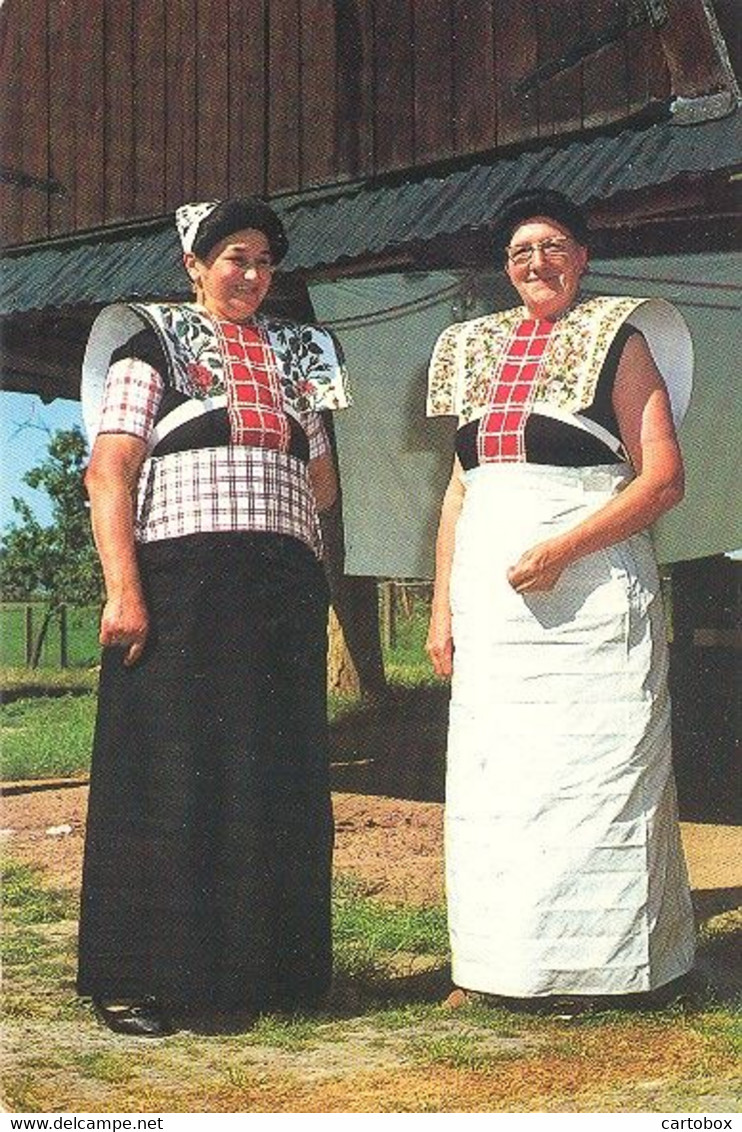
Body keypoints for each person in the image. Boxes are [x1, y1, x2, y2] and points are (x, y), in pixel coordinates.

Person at [77, 197, 349, 1036]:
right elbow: (109, 475)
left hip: (277, 588)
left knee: (273, 769)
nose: (251, 274)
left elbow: (324, 482)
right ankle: (143, 980)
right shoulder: (148, 340)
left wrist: (295, 564)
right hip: (183, 585)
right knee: (171, 772)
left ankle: (267, 971)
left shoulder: (301, 353)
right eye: (233, 256)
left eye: (264, 260)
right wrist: (126, 590)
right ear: (194, 264)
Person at [426, 189, 695, 1009]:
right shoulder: (469, 348)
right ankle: (495, 969)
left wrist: (565, 548)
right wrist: (442, 609)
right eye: (519, 252)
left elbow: (662, 480)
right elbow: (459, 492)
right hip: (496, 612)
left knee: (601, 777)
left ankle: (622, 975)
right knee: (499, 785)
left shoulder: (623, 336)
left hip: (593, 596)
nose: (535, 263)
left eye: (551, 246)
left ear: (581, 255)